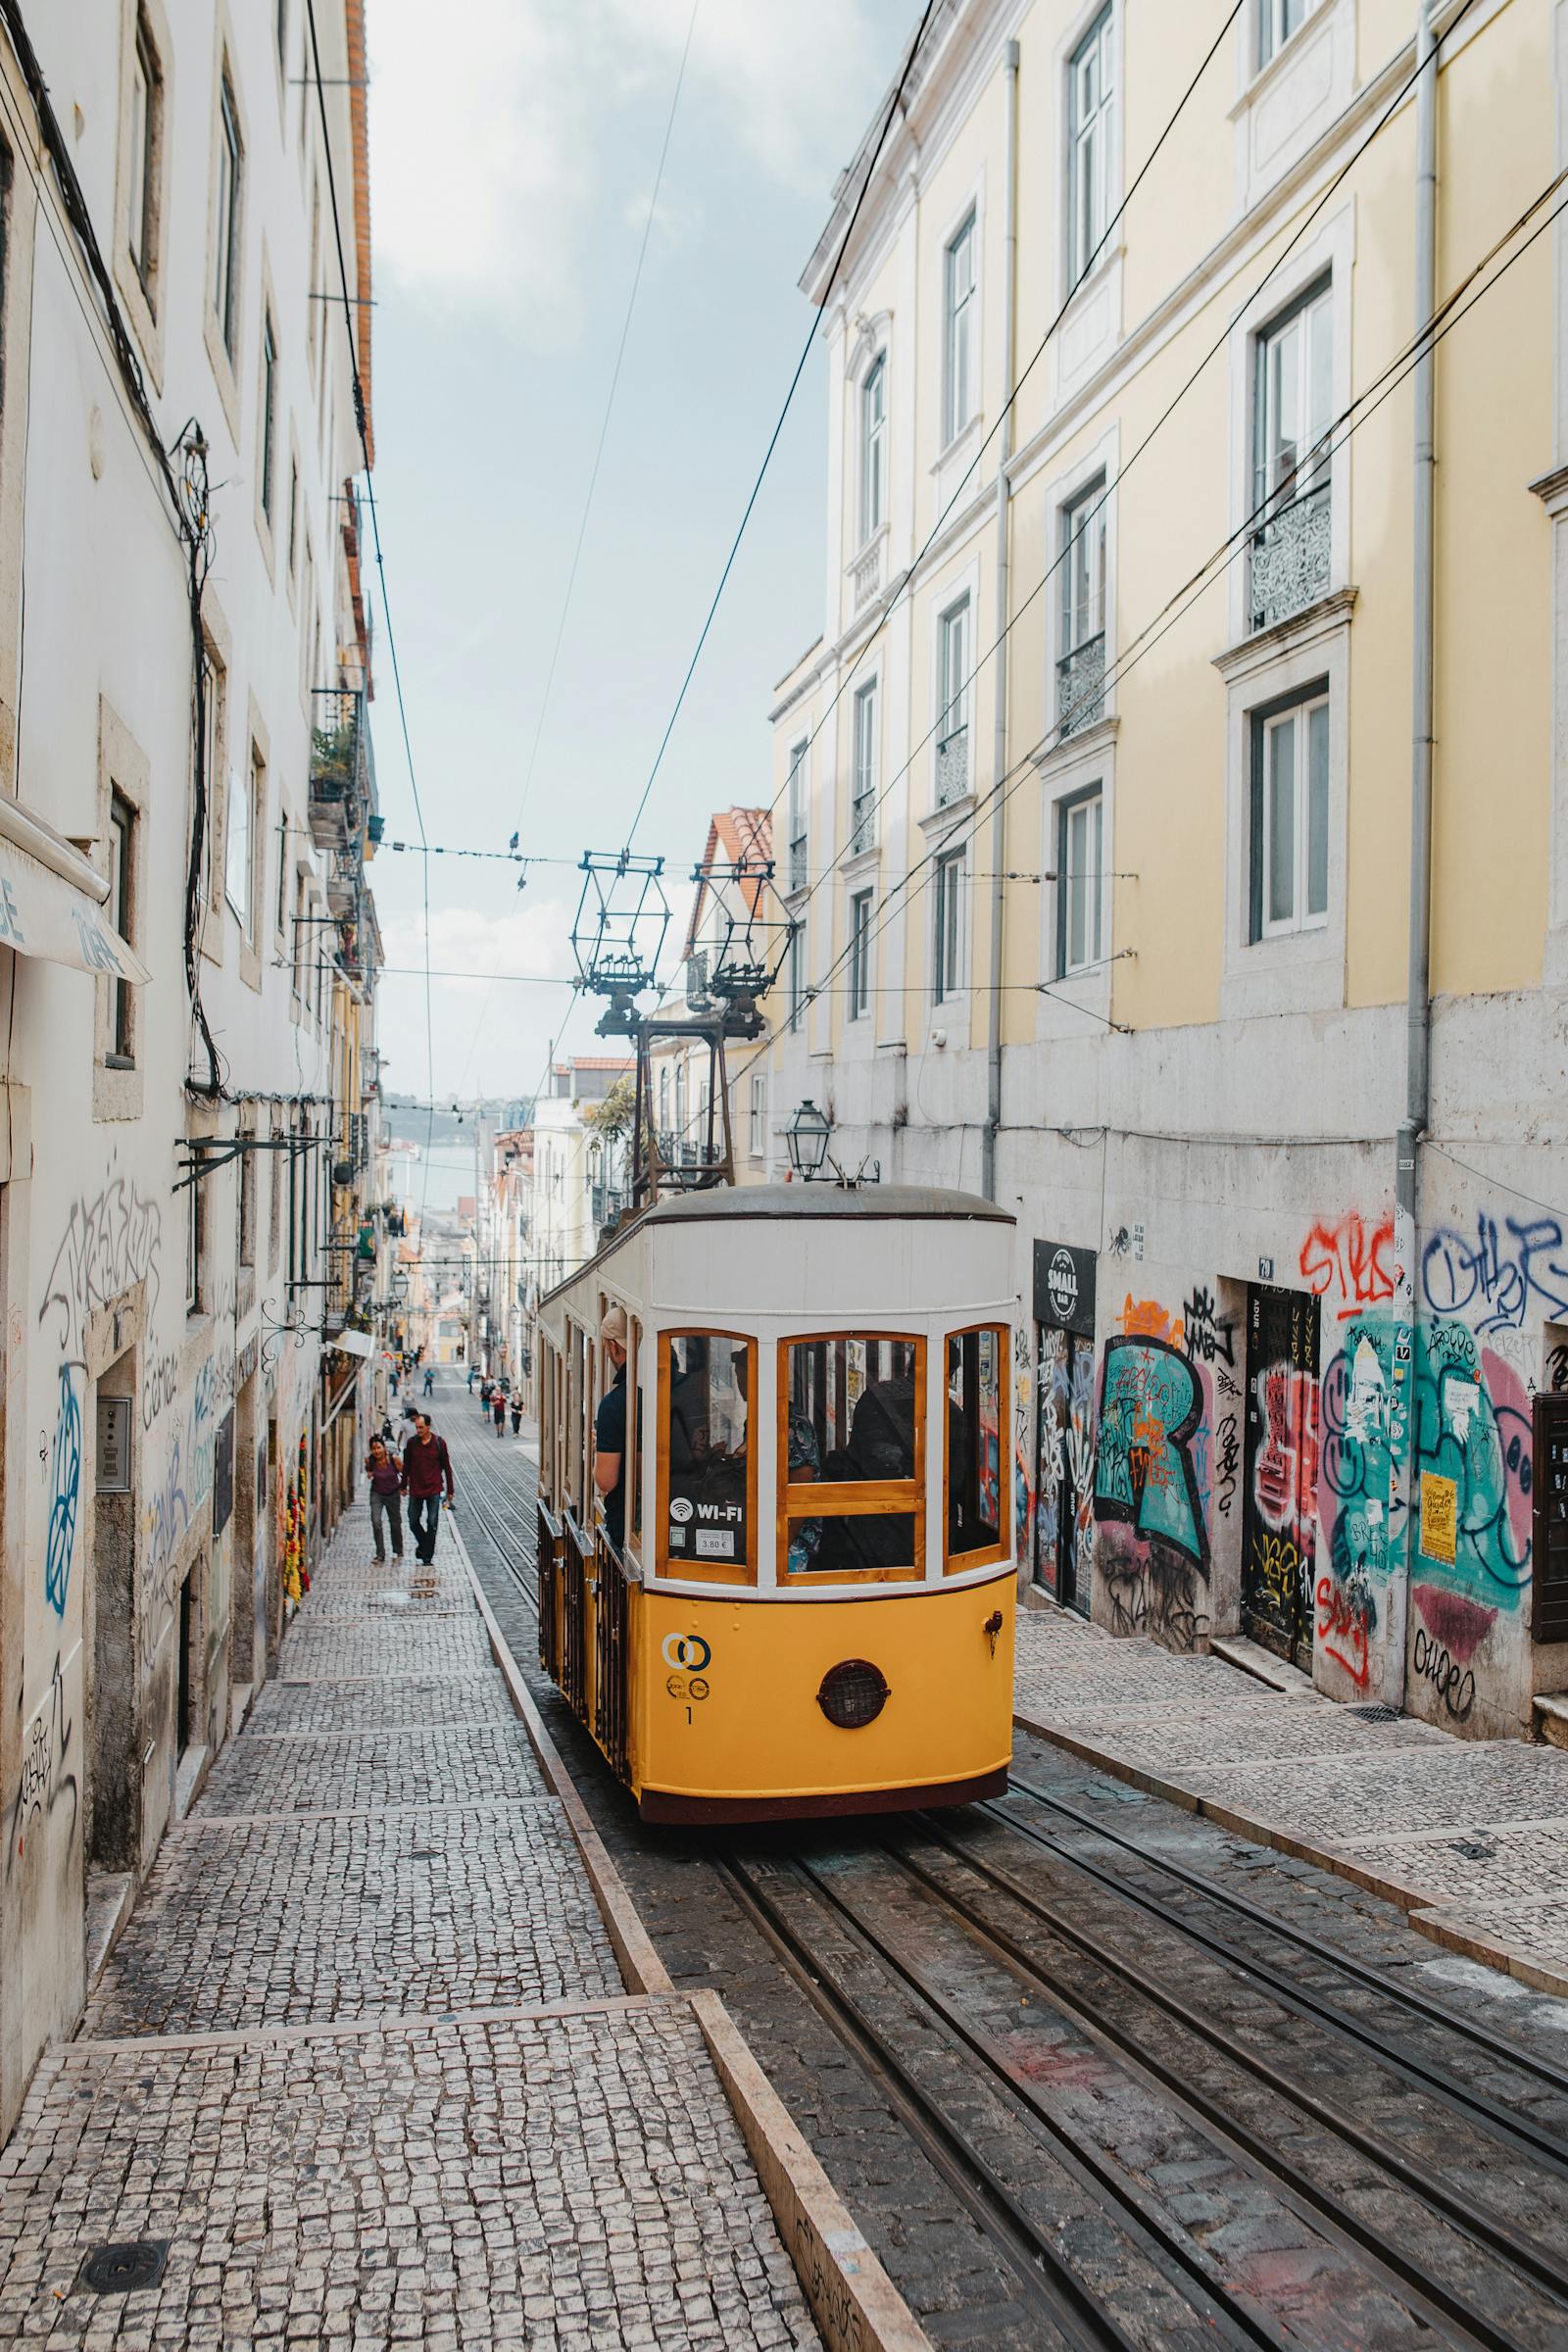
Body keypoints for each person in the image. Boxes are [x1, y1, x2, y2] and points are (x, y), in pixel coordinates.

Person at [592, 1305, 629, 1551]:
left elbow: (605, 1481)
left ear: (613, 1346)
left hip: (627, 1528)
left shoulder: (614, 1404)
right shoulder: (681, 1385)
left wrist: (598, 1449)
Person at [402, 1412, 455, 1563]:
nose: (418, 1431)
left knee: (432, 1523)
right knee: (413, 1521)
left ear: (428, 1427)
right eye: (417, 1427)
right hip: (416, 1489)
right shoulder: (412, 1443)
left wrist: (450, 1491)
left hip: (433, 1489)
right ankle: (425, 1545)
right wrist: (403, 1485)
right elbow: (406, 1466)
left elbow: (447, 1468)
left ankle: (427, 1556)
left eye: (421, 1428)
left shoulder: (439, 1443)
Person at [367, 1436, 404, 1564]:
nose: (376, 1451)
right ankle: (380, 1554)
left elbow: (404, 1473)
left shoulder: (394, 1460)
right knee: (376, 1521)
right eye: (373, 1449)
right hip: (377, 1493)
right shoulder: (370, 1461)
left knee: (395, 1522)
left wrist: (404, 1488)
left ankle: (398, 1549)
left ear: (384, 1448)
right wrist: (370, 1474)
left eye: (378, 1448)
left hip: (393, 1493)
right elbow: (369, 1473)